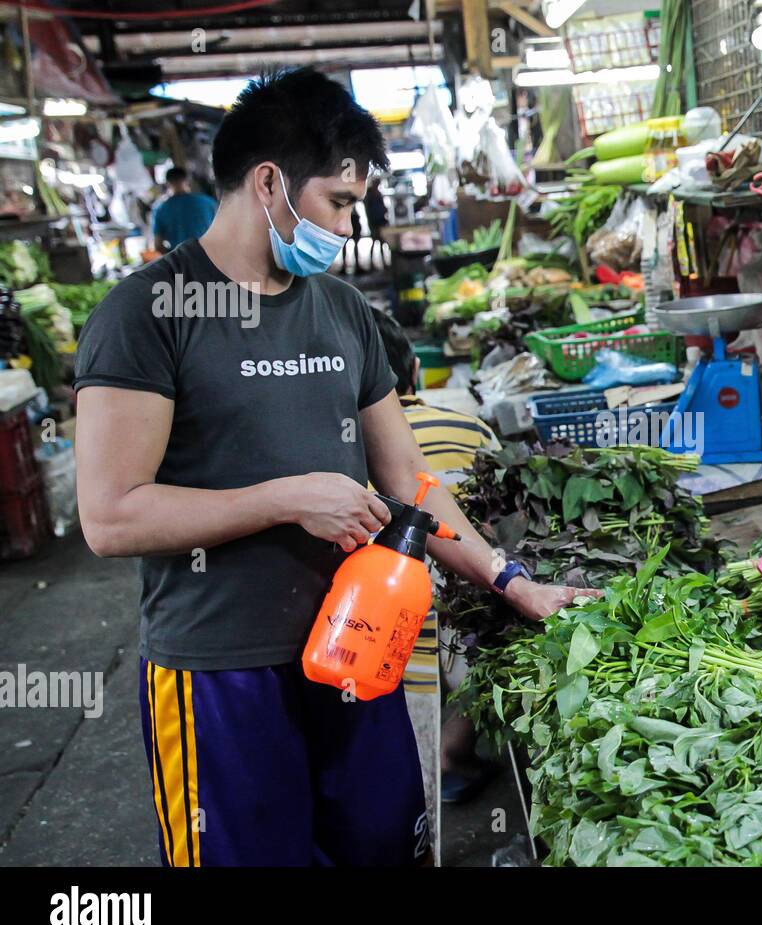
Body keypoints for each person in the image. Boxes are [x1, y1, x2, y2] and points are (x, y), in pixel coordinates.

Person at [73, 67, 595, 868]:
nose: (348, 229)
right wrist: (285, 499)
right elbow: (111, 518)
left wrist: (511, 581)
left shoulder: (342, 310)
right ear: (270, 181)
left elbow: (411, 482)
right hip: (221, 673)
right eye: (340, 203)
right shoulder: (147, 313)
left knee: (384, 849)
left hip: (360, 651)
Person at [372, 308, 498, 806]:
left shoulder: (341, 446)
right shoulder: (468, 426)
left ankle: (415, 763)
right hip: (463, 598)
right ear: (415, 374)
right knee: (481, 645)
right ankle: (454, 752)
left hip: (383, 611)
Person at [150, 166, 217, 253]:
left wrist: (175, 257)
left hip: (182, 261)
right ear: (187, 180)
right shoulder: (208, 202)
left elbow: (158, 245)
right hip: (212, 256)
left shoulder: (160, 209)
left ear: (167, 183)